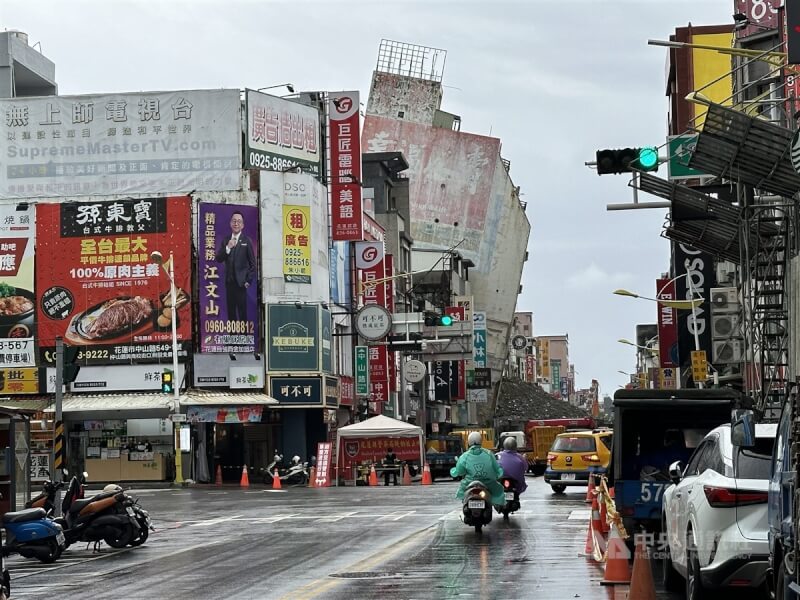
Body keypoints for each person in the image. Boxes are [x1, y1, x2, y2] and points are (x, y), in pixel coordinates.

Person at [215, 211, 257, 323]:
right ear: (230, 223)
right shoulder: (226, 240)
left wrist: (248, 280)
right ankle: (233, 337)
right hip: (229, 283)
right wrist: (228, 248)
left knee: (242, 313)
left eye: (239, 221)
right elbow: (219, 258)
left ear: (242, 225)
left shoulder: (246, 241)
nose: (236, 223)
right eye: (234, 221)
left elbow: (253, 264)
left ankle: (244, 336)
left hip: (241, 284)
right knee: (231, 313)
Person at [450, 432, 505, 506]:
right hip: (488, 483)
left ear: (469, 442)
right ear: (480, 441)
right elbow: (496, 469)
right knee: (499, 490)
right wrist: (498, 474)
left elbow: (460, 471)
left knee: (462, 492)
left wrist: (454, 471)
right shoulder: (489, 454)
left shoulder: (464, 456)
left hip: (469, 483)